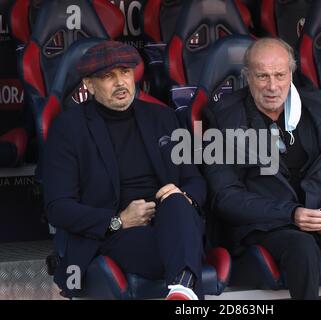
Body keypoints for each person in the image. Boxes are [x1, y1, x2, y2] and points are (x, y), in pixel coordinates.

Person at [202, 38, 321, 299]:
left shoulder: (318, 111)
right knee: (301, 245)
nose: (272, 86)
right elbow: (225, 197)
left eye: (280, 75)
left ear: (290, 74)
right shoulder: (222, 119)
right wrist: (291, 214)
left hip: (320, 221)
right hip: (266, 227)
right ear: (247, 77)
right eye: (262, 76)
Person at [43, 41, 205, 300]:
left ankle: (182, 292)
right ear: (89, 85)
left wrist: (185, 199)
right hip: (117, 233)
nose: (120, 82)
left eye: (126, 72)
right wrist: (118, 221)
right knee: (181, 248)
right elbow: (58, 208)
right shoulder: (68, 129)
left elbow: (194, 180)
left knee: (176, 203)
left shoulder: (163, 118)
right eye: (108, 76)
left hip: (173, 221)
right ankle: (184, 289)